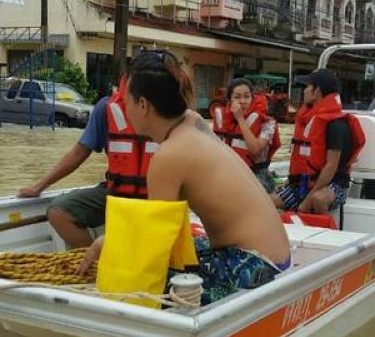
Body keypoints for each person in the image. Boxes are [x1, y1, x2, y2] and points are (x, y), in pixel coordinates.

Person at [78, 50, 291, 304]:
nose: (124, 109)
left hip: (255, 264)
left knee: (137, 280)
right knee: (187, 249)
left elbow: (156, 243)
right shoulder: (192, 121)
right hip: (276, 253)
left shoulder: (168, 156)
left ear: (143, 105)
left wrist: (108, 244)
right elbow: (162, 225)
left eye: (127, 102)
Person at [19, 75, 166, 248]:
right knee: (58, 212)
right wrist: (39, 186)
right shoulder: (105, 108)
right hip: (116, 195)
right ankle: (95, 258)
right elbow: (79, 152)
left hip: (158, 200)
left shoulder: (170, 112)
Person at [273, 69, 365, 216]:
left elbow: (331, 166)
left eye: (307, 87)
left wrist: (308, 199)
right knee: (268, 203)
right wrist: (290, 181)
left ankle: (326, 228)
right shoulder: (310, 120)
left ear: (317, 91)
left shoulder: (336, 125)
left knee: (318, 199)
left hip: (333, 185)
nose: (304, 91)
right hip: (304, 183)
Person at [212, 78, 281, 192]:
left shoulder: (268, 124)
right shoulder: (223, 120)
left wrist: (240, 118)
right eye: (237, 97)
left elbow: (255, 149)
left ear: (252, 98)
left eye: (247, 96)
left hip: (257, 178)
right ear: (229, 100)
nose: (242, 101)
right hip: (231, 175)